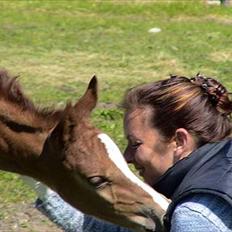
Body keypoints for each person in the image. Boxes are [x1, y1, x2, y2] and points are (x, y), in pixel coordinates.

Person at [24, 73, 232, 232]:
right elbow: (106, 227)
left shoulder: (193, 217)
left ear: (179, 141)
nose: (127, 157)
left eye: (135, 143)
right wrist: (42, 180)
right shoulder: (216, 168)